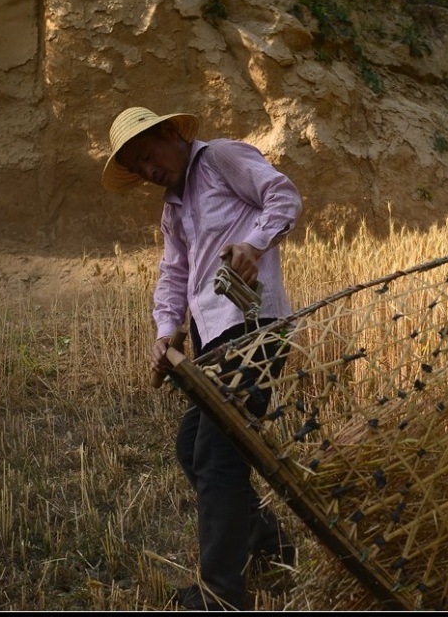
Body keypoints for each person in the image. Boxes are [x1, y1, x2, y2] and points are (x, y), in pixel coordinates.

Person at [102, 106, 303, 611]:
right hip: (215, 340)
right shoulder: (173, 206)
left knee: (217, 456)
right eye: (137, 166)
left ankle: (221, 597)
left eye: (149, 155)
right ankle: (269, 545)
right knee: (192, 446)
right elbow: (175, 274)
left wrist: (254, 245)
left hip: (255, 327)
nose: (149, 171)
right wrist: (166, 333)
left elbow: (283, 195)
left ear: (172, 134)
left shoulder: (221, 159)